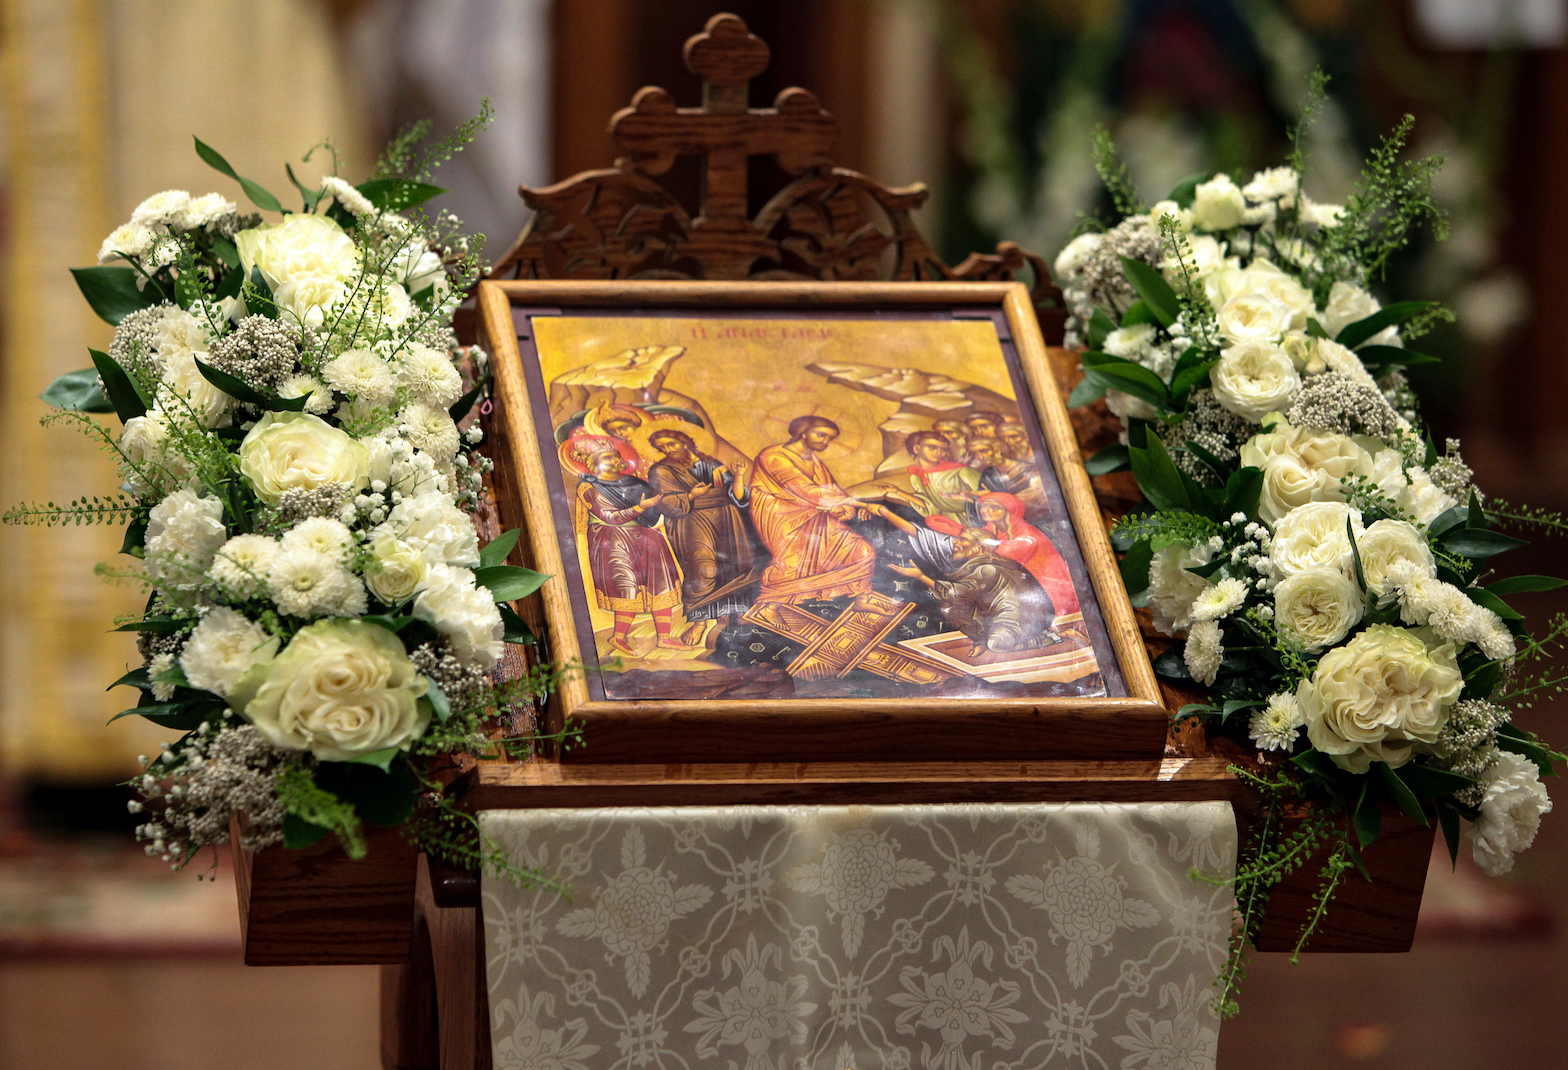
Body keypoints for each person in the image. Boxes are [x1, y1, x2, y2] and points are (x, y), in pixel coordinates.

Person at [576, 449, 693, 655]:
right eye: (607, 457)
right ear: (594, 464)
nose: (615, 460)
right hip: (614, 540)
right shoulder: (590, 487)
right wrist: (640, 508)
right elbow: (610, 516)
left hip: (648, 537)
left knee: (660, 585)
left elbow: (656, 508)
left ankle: (664, 638)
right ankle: (618, 636)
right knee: (626, 587)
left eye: (617, 456)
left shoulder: (635, 483)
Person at [748, 415, 875, 604]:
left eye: (830, 439)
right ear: (803, 433)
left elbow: (833, 489)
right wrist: (860, 503)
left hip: (817, 517)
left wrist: (845, 508)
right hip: (783, 516)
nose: (826, 442)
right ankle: (769, 607)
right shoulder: (773, 456)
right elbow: (805, 490)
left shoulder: (814, 460)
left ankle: (862, 601)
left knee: (860, 550)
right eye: (821, 435)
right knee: (792, 564)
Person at [647, 428, 756, 622]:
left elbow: (738, 496)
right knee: (703, 569)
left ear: (685, 442)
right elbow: (663, 502)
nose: (668, 450)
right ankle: (699, 620)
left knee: (735, 566)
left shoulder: (713, 465)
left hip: (726, 518)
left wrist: (739, 475)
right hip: (692, 521)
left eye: (671, 444)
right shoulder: (661, 470)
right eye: (661, 447)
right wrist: (691, 495)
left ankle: (737, 612)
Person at [888, 527, 1053, 655]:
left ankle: (1041, 639)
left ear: (979, 546)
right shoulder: (989, 564)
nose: (956, 543)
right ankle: (983, 640)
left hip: (1020, 617)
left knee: (998, 644)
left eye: (963, 540)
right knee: (950, 608)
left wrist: (921, 576)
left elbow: (957, 594)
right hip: (1011, 614)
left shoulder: (987, 569)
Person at [972, 492, 1079, 623]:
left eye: (994, 508)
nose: (986, 511)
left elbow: (1004, 554)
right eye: (983, 506)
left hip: (1041, 583)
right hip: (1014, 580)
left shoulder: (1027, 533)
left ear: (1009, 511)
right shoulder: (990, 530)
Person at [903, 430, 982, 521]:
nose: (939, 452)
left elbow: (989, 497)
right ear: (917, 449)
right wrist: (898, 492)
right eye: (932, 448)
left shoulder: (961, 471)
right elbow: (930, 507)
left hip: (975, 518)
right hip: (946, 520)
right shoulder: (917, 477)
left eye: (943, 449)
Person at [965, 436, 1047, 516]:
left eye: (983, 451)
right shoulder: (988, 474)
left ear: (996, 450)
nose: (979, 457)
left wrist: (995, 498)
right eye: (975, 454)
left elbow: (1031, 500)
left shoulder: (1028, 470)